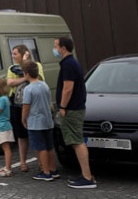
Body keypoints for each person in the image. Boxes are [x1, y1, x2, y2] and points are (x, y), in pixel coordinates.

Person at [54, 36, 96, 189]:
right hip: (74, 108)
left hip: (71, 109)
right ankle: (86, 175)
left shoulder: (69, 64)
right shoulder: (70, 63)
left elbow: (68, 88)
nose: (55, 50)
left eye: (56, 46)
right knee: (76, 141)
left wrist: (62, 107)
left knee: (77, 142)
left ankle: (87, 178)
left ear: (63, 48)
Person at [7, 44, 44, 172]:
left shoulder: (36, 65)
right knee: (21, 135)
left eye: (15, 53)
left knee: (35, 133)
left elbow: (38, 78)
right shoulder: (12, 68)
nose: (13, 56)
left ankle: (41, 162)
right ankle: (23, 161)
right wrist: (25, 78)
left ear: (23, 54)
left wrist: (24, 65)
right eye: (12, 53)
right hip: (17, 105)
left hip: (33, 104)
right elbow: (10, 83)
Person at [21, 60, 59, 182]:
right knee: (49, 147)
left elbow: (26, 107)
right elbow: (49, 103)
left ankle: (45, 172)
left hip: (35, 122)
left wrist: (23, 119)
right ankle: (53, 170)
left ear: (26, 73)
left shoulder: (28, 89)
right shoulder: (45, 85)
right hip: (47, 120)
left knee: (40, 147)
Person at [0, 78, 15, 177]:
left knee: (6, 149)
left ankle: (8, 169)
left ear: (0, 89)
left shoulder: (2, 99)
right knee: (6, 148)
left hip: (3, 127)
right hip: (2, 126)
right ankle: (7, 166)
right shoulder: (4, 99)